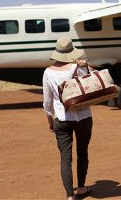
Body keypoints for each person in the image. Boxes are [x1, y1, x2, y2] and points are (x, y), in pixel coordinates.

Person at [42, 36, 93, 200]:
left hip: (62, 118)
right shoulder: (79, 67)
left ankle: (70, 195)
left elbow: (47, 102)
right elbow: (90, 85)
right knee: (82, 152)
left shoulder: (48, 72)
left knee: (65, 158)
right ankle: (82, 188)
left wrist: (50, 121)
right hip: (84, 116)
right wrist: (85, 66)